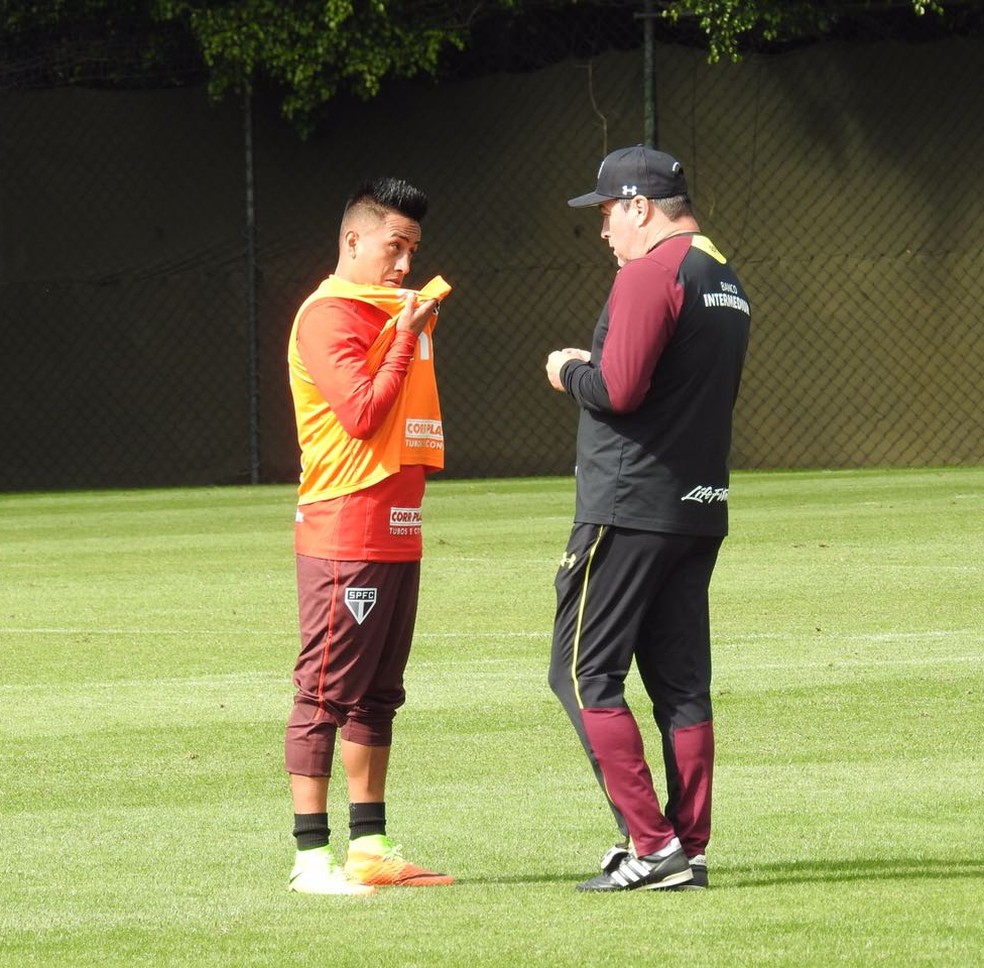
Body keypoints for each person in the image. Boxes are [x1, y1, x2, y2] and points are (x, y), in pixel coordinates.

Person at [545, 145, 751, 892]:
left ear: (639, 206)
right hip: (698, 506)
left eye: (607, 213)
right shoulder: (723, 277)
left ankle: (653, 845)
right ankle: (688, 847)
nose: (604, 230)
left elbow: (620, 389)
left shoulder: (649, 272)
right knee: (682, 685)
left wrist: (569, 369)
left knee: (583, 672)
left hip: (629, 505)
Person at [284, 176, 454, 895]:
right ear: (354, 239)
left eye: (414, 249)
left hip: (397, 526)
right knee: (324, 692)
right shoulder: (327, 315)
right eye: (394, 246)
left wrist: (406, 330)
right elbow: (360, 414)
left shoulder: (387, 309)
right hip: (344, 529)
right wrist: (405, 338)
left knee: (379, 694)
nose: (406, 264)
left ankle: (369, 848)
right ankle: (310, 859)